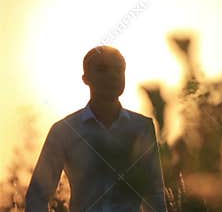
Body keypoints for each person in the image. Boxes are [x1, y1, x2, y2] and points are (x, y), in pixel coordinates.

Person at [25, 46, 167, 212]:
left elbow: (154, 193)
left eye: (119, 69)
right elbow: (37, 195)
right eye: (102, 69)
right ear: (85, 78)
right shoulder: (64, 130)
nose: (112, 75)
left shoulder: (142, 127)